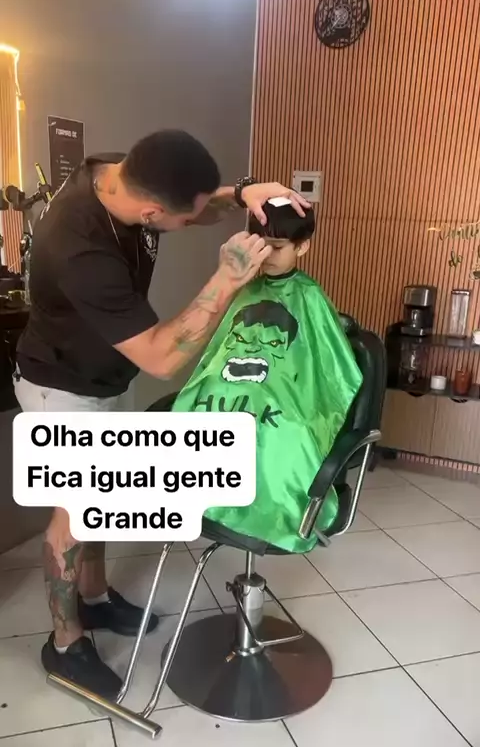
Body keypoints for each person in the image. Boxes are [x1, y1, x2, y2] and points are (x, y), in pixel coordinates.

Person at [14, 129, 311, 698]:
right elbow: (160, 357)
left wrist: (242, 192)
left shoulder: (117, 172)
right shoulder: (78, 246)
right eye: (184, 220)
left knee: (103, 498)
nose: (194, 223)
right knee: (73, 512)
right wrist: (226, 280)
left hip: (106, 374)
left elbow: (197, 204)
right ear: (151, 212)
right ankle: (65, 642)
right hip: (63, 389)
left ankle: (94, 598)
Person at [172, 199, 363, 552]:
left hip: (284, 402)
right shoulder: (244, 289)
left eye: (277, 247)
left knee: (283, 436)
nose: (266, 255)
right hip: (228, 394)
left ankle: (271, 517)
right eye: (260, 245)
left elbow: (335, 369)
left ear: (302, 247)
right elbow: (218, 354)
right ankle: (205, 504)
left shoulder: (309, 297)